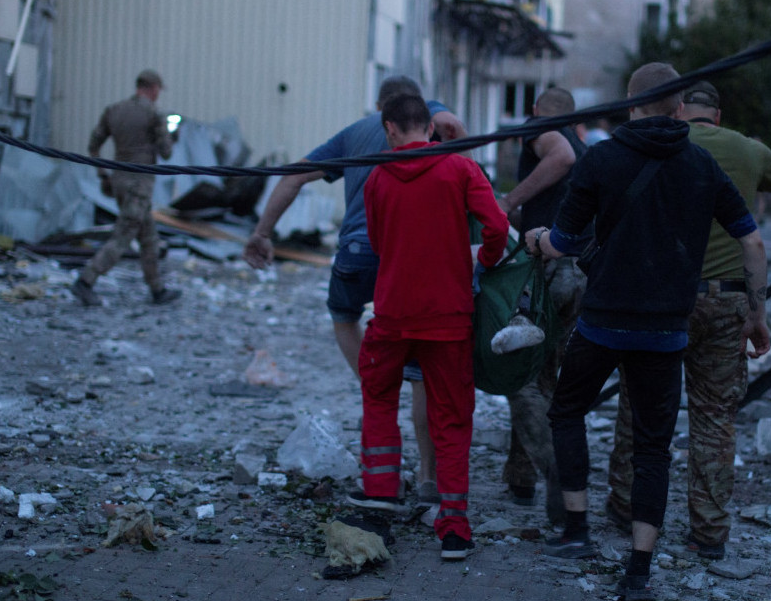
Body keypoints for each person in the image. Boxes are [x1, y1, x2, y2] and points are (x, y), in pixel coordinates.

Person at [523, 63, 770, 601]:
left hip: (604, 322)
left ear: (630, 105)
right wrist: (755, 313)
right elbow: (752, 243)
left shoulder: (603, 159)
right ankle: (638, 570)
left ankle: (578, 529)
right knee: (655, 447)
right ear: (680, 108)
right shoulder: (702, 165)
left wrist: (536, 239)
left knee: (567, 411)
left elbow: (564, 242)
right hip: (665, 331)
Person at [605, 80, 771, 561]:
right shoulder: (748, 148)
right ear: (717, 116)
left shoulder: (663, 144)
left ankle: (624, 509)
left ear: (680, 112)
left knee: (638, 408)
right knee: (715, 419)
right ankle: (709, 532)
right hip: (726, 301)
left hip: (661, 300)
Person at [244, 76, 467, 505]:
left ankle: (376, 384)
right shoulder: (427, 115)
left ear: (383, 114)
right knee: (422, 369)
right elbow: (452, 124)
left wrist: (261, 232)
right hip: (412, 257)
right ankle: (427, 480)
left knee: (343, 315)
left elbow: (291, 178)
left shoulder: (353, 134)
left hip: (357, 252)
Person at [356, 93, 509, 560]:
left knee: (379, 396)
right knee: (452, 417)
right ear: (430, 127)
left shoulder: (377, 177)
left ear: (389, 129)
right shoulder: (460, 169)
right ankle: (454, 527)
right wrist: (482, 261)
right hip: (449, 317)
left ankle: (380, 495)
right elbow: (497, 227)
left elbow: (379, 244)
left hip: (393, 312)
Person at [495, 87, 588, 523]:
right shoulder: (587, 148)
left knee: (519, 372)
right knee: (543, 372)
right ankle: (521, 477)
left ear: (536, 113)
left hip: (546, 272)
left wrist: (509, 199)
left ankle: (557, 474)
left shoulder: (541, 132)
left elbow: (560, 157)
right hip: (577, 274)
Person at [72, 69, 180, 306]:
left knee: (149, 237)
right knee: (123, 235)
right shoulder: (154, 114)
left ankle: (157, 289)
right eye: (158, 90)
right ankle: (86, 280)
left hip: (119, 179)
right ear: (152, 88)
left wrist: (103, 175)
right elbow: (166, 152)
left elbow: (93, 145)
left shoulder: (114, 110)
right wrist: (173, 134)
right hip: (140, 184)